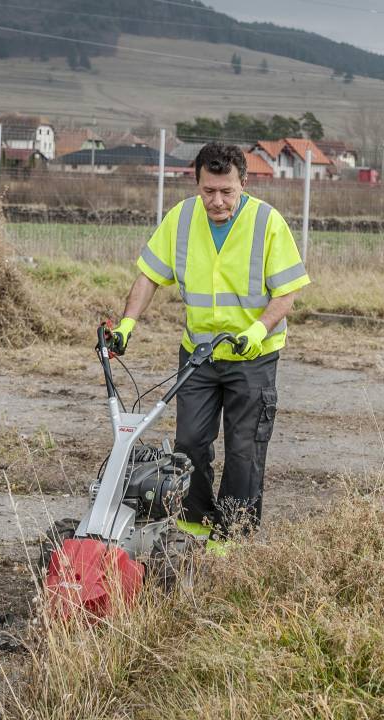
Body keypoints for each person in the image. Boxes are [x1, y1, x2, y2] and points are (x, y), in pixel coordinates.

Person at [108, 142, 310, 548]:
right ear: (197, 183)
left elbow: (287, 291)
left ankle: (233, 536)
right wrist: (127, 322)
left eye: (226, 192)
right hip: (199, 356)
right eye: (208, 191)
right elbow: (149, 275)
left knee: (243, 449)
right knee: (190, 443)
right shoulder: (181, 218)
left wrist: (258, 330)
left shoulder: (267, 222)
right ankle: (195, 525)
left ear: (243, 183)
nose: (217, 201)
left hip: (252, 356)